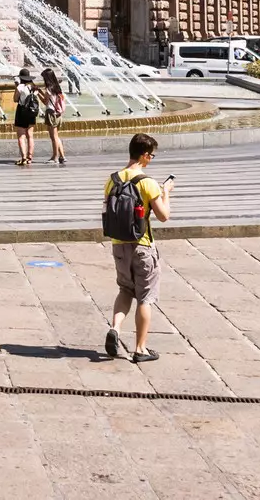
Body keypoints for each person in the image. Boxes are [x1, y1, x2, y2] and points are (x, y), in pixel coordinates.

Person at [102, 132, 171, 364]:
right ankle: (140, 349)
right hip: (142, 247)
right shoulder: (147, 183)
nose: (151, 159)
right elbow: (163, 216)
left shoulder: (112, 180)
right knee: (144, 298)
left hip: (118, 246)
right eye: (151, 155)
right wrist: (166, 193)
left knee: (125, 290)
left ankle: (115, 328)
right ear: (144, 155)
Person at [40, 68, 68, 166]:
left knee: (53, 137)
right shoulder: (57, 88)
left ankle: (55, 157)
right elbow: (52, 99)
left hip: (51, 113)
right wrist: (40, 91)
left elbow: (45, 102)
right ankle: (62, 156)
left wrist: (37, 94)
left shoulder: (48, 89)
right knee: (56, 136)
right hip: (58, 114)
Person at [11, 68, 39, 166]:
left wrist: (16, 87)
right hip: (32, 111)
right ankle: (29, 158)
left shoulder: (20, 87)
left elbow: (15, 99)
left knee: (21, 136)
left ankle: (23, 158)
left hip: (22, 111)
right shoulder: (34, 87)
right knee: (30, 135)